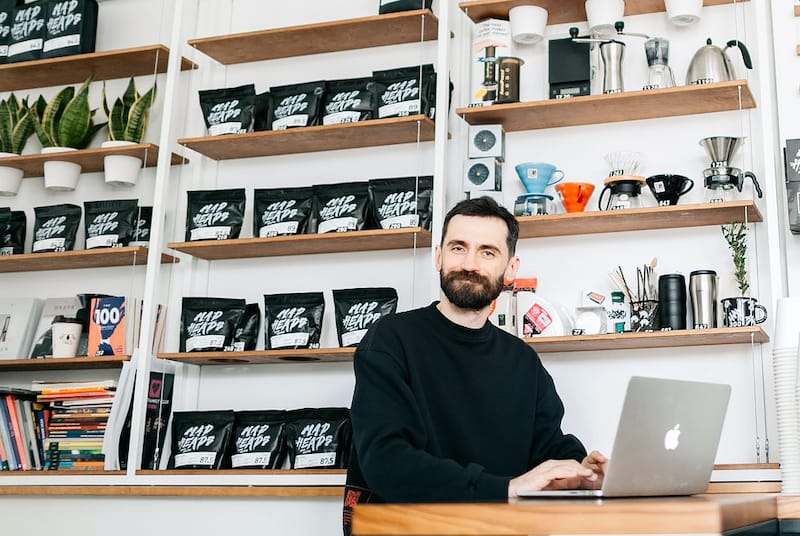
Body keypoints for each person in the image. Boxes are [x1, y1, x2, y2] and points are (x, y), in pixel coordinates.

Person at [342, 196, 606, 534]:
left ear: (511, 269)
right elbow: (385, 461)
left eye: (487, 252)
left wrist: (581, 471)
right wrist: (503, 490)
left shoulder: (522, 360)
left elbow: (548, 447)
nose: (470, 263)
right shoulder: (391, 338)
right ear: (438, 256)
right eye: (457, 248)